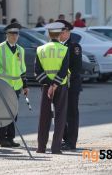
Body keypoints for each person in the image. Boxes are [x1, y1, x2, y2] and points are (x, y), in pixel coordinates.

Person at [0, 22, 29, 147]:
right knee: (3, 113)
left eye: (16, 34)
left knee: (13, 113)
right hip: (3, 86)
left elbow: (22, 70)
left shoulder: (20, 50)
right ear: (7, 34)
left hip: (16, 86)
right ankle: (0, 138)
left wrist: (25, 86)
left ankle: (10, 138)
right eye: (12, 34)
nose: (14, 36)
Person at [35, 22, 69, 154]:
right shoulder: (64, 49)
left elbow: (37, 71)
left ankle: (41, 147)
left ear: (49, 34)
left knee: (44, 117)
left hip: (45, 87)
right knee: (60, 116)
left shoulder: (40, 49)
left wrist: (49, 85)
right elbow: (64, 70)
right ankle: (56, 148)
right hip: (60, 86)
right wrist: (54, 85)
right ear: (60, 34)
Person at [56, 19, 82, 150]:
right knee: (60, 113)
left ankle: (71, 141)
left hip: (71, 85)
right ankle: (64, 138)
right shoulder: (55, 46)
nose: (60, 33)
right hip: (59, 84)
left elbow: (76, 68)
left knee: (71, 113)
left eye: (62, 31)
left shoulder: (74, 47)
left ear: (67, 32)